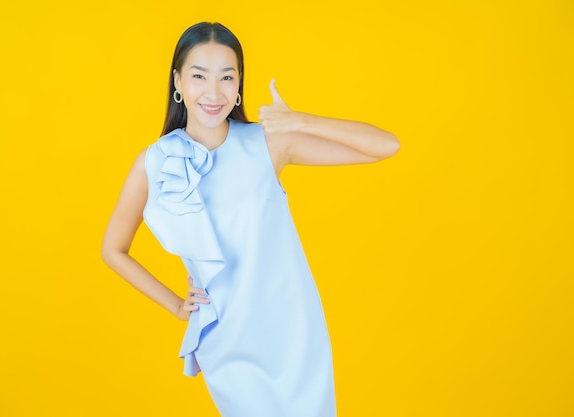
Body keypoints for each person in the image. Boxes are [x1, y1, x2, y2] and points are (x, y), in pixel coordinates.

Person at [101, 21, 400, 417]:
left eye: (227, 77)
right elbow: (113, 250)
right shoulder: (155, 162)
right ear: (177, 80)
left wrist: (301, 121)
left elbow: (385, 145)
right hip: (227, 338)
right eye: (199, 76)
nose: (213, 91)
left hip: (293, 332)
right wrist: (176, 306)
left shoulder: (267, 143)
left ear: (240, 83)